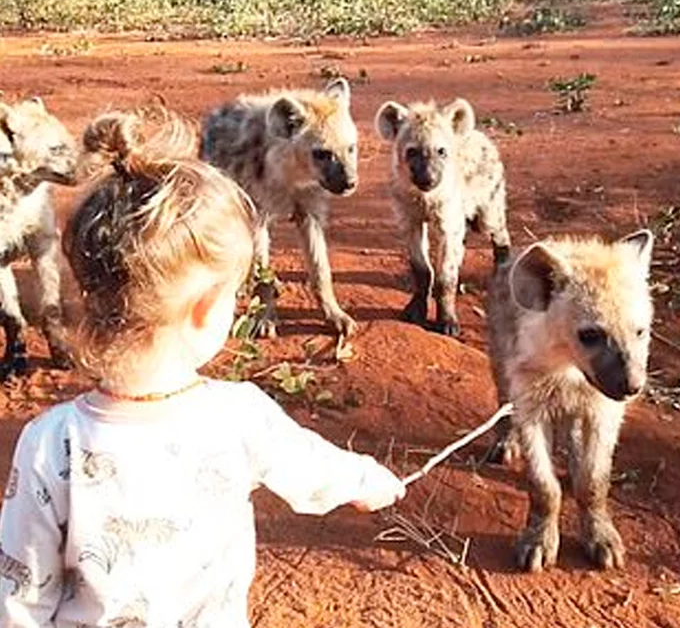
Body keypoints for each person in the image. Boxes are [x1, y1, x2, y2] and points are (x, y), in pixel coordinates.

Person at [0, 117, 405, 628]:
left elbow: (19, 596)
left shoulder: (48, 442)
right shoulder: (238, 415)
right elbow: (314, 472)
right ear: (206, 308)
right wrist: (369, 480)